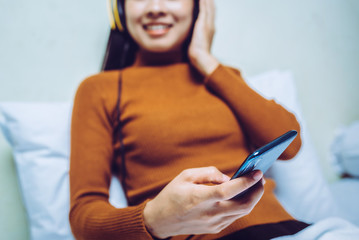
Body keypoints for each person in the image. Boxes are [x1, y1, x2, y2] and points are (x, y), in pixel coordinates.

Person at [69, 0, 307, 239]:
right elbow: (83, 218)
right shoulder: (99, 90)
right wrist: (153, 220)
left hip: (289, 230)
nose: (155, 8)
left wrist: (205, 59)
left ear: (198, 8)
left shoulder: (221, 76)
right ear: (119, 10)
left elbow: (290, 144)